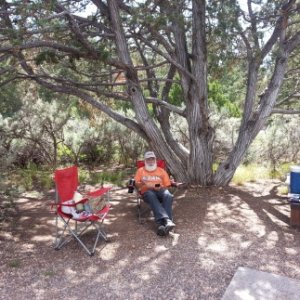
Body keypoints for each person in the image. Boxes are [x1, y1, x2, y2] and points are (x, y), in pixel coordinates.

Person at [134, 151, 175, 236]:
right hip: (147, 192)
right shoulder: (140, 171)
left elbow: (167, 184)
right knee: (151, 195)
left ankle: (162, 225)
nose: (150, 161)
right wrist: (143, 183)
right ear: (145, 161)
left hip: (160, 190)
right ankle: (167, 221)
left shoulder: (161, 171)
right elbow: (136, 184)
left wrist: (157, 186)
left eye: (152, 159)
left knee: (168, 195)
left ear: (155, 160)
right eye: (148, 159)